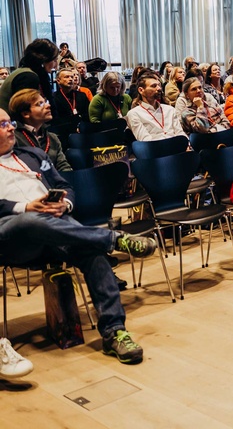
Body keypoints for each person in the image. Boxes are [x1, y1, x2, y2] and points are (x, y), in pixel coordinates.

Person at [0, 108, 157, 364]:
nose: (10, 128)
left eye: (10, 122)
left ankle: (114, 332)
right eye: (3, 124)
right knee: (29, 219)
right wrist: (25, 207)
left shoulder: (32, 154)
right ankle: (113, 239)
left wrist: (65, 205)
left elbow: (64, 186)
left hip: (56, 226)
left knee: (92, 252)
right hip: (12, 237)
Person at [10, 89, 72, 172]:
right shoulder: (13, 138)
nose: (48, 105)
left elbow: (63, 167)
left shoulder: (52, 138)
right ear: (25, 114)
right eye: (40, 104)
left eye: (45, 101)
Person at [126, 72, 183, 141]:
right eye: (153, 86)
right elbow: (145, 140)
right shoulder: (134, 114)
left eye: (159, 85)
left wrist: (186, 144)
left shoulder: (170, 109)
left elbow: (180, 133)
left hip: (178, 148)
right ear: (141, 90)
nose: (159, 88)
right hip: (155, 149)